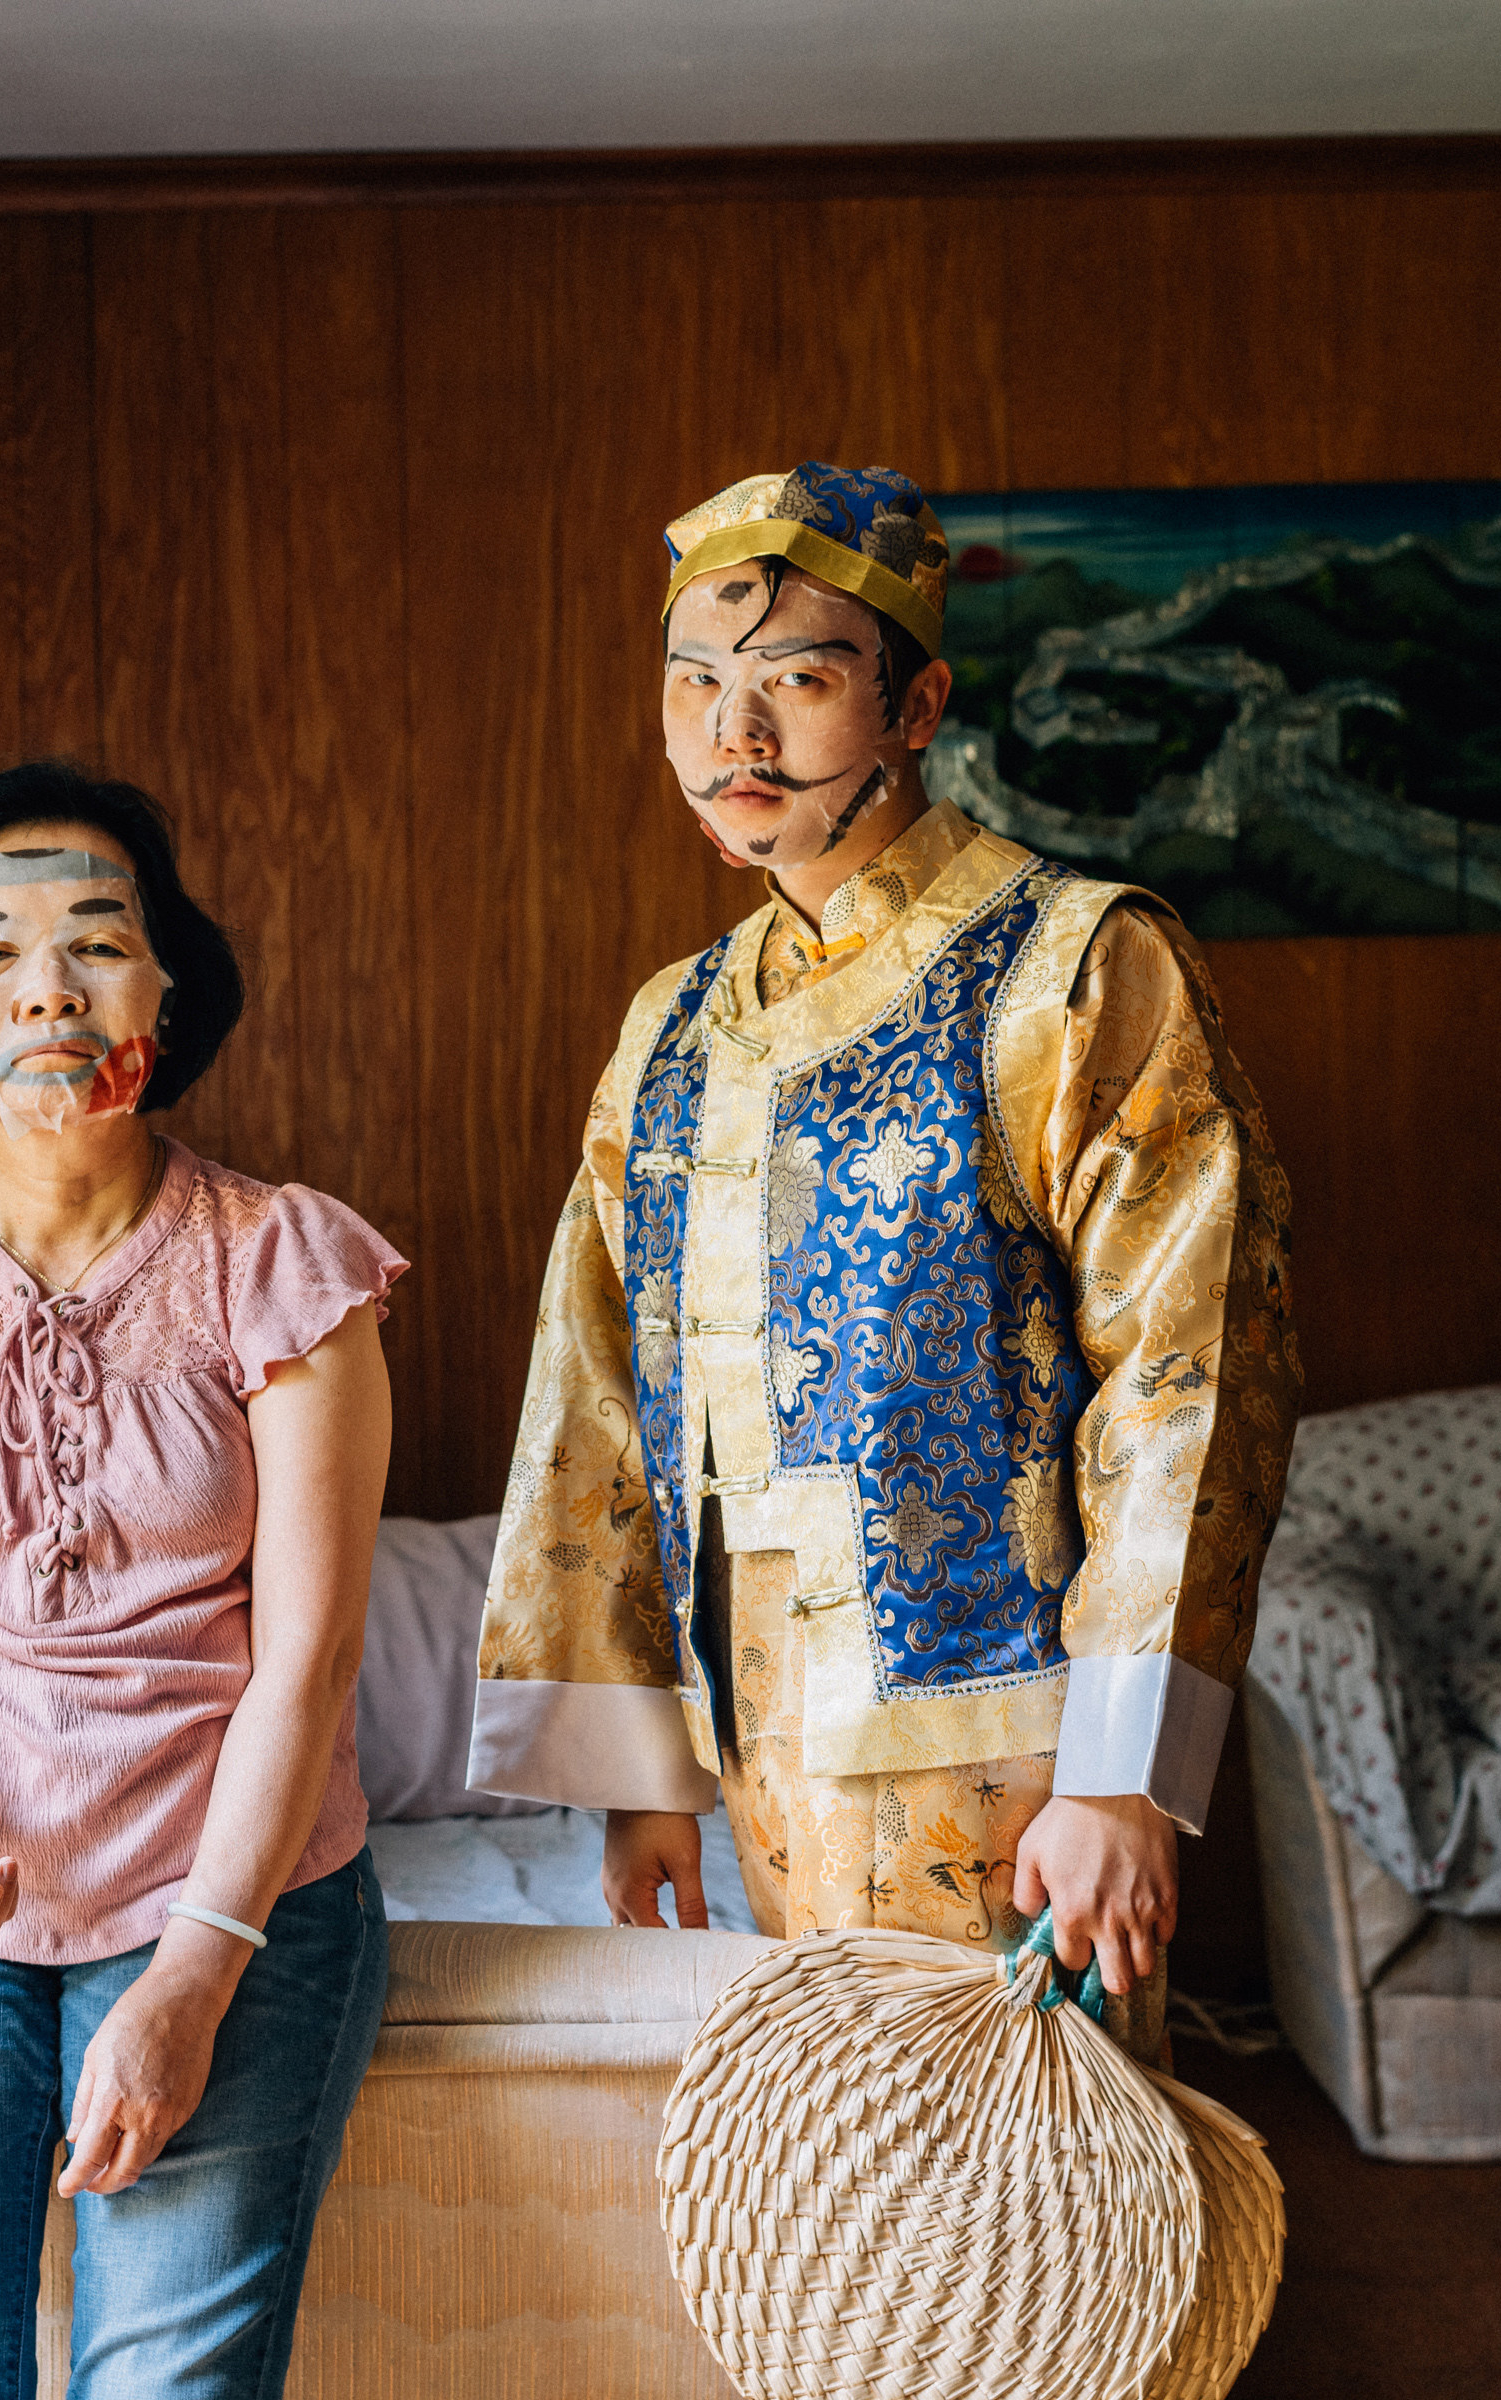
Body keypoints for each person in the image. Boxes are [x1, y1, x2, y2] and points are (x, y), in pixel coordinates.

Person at [467, 465, 1301, 2054]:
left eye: (797, 678)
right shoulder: (671, 1027)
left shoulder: (1076, 961)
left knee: (1044, 2191)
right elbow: (594, 1395)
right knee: (849, 2207)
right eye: (699, 684)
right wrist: (633, 1772)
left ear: (915, 703)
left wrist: (1122, 1774)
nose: (739, 736)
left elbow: (1193, 1373)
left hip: (1017, 1739)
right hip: (758, 1740)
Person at [0, 759, 402, 2399]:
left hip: (231, 1887)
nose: (48, 983)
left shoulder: (287, 1264)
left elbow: (309, 1662)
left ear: (166, 993)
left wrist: (193, 1973)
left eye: (99, 939)